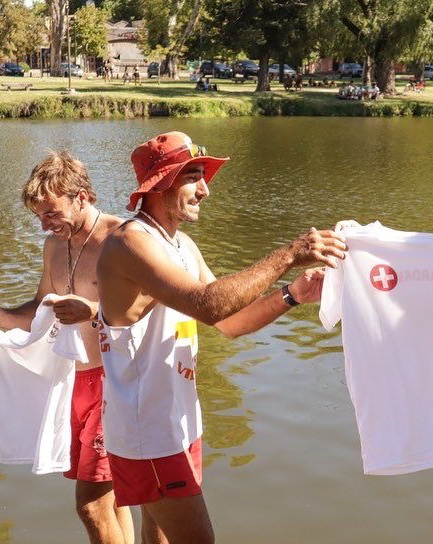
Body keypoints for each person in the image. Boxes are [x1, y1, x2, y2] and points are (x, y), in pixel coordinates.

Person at [96, 131, 347, 543]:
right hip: (148, 433)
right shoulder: (129, 244)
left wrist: (292, 295)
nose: (205, 190)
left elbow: (229, 321)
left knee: (157, 536)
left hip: (176, 423)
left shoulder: (181, 245)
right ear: (161, 182)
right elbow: (208, 305)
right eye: (194, 176)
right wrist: (287, 255)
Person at [0, 151, 132, 544]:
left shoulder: (123, 239)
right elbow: (42, 309)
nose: (45, 224)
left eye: (52, 213)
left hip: (119, 383)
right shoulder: (54, 247)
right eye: (39, 216)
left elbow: (152, 308)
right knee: (111, 497)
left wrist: (92, 311)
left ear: (83, 197)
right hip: (74, 380)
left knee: (90, 505)